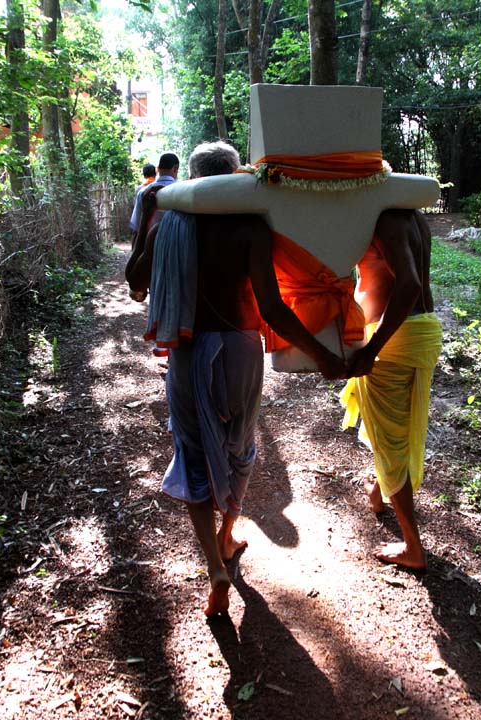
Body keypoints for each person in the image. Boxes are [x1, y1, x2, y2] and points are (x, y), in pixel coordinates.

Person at [126, 142, 347, 616]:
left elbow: (134, 282)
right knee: (237, 448)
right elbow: (272, 309)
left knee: (191, 452)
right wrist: (322, 354)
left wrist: (148, 218)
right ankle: (228, 536)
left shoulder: (170, 224)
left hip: (187, 351)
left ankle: (215, 567)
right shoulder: (250, 226)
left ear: (193, 178)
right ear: (235, 177)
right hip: (242, 350)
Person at [340, 209, 442, 571]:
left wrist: (372, 348)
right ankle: (379, 490)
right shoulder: (414, 216)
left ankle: (413, 547)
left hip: (398, 338)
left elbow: (409, 285)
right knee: (387, 425)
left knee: (393, 440)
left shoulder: (386, 220)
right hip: (421, 331)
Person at [129, 153, 178, 234]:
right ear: (175, 169)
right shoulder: (181, 191)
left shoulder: (143, 192)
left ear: (158, 169)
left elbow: (136, 227)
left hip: (149, 244)